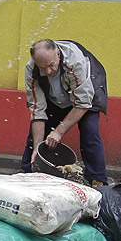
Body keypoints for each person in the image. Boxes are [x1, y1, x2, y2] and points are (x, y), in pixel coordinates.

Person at [21, 38, 108, 186]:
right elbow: (37, 109)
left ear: (59, 55)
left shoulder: (76, 62)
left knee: (89, 130)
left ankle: (97, 179)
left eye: (51, 65)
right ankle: (29, 171)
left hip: (86, 94)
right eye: (42, 68)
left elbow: (82, 103)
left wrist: (59, 132)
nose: (48, 72)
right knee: (37, 134)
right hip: (55, 97)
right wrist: (37, 147)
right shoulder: (31, 69)